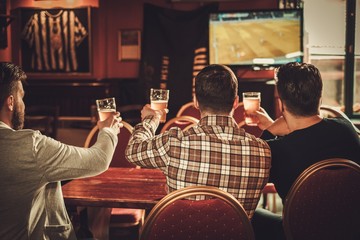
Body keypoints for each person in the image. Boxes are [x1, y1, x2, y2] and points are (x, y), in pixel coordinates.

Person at [125, 64, 271, 218]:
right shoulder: (262, 151)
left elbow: (132, 152)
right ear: (236, 102)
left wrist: (150, 120)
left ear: (195, 101)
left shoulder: (174, 143)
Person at [0, 62, 122, 240]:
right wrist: (108, 130)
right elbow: (99, 159)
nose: (23, 105)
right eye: (22, 98)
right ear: (10, 102)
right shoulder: (30, 146)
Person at [251, 62, 360, 240]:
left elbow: (251, 170)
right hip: (351, 230)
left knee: (247, 215)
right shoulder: (347, 129)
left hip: (297, 234)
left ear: (281, 103)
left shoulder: (276, 150)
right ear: (320, 97)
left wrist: (270, 130)